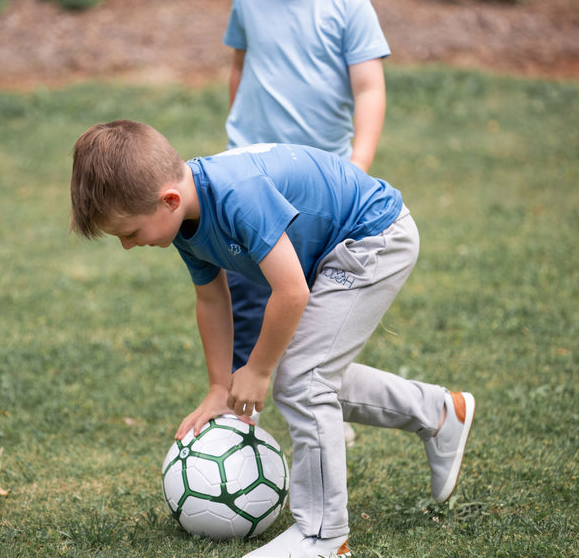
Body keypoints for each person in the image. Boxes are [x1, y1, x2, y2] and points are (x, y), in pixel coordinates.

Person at [70, 120, 475, 558]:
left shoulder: (236, 196)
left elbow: (291, 290)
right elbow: (211, 299)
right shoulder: (184, 219)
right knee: (310, 375)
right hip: (336, 249)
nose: (128, 246)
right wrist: (219, 388)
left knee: (302, 381)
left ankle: (324, 537)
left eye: (130, 234)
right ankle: (439, 414)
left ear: (168, 200)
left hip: (372, 237)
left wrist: (259, 368)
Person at [223, 0, 391, 379]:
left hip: (319, 184)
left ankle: (327, 395)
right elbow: (241, 67)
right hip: (250, 175)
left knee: (321, 304)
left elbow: (369, 89)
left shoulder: (350, 4)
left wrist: (359, 165)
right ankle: (241, 417)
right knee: (244, 293)